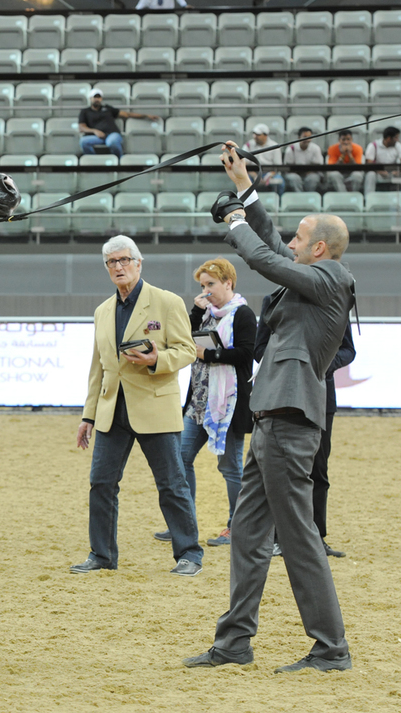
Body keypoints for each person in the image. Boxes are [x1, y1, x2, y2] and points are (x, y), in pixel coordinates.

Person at [185, 141, 354, 674]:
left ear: (320, 250)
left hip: (288, 421)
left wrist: (234, 222)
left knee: (298, 538)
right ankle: (235, 643)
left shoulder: (330, 281)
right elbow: (275, 247)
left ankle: (330, 649)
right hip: (270, 420)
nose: (292, 243)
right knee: (250, 536)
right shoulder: (313, 277)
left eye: (301, 239)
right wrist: (243, 189)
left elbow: (260, 256)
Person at [71, 235, 202, 577]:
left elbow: (187, 351)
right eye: (112, 262)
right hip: (111, 411)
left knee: (172, 485)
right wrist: (88, 415)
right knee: (100, 484)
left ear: (139, 263)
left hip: (155, 407)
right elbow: (98, 366)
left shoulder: (167, 302)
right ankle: (101, 554)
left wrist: (156, 358)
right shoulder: (103, 311)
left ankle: (189, 553)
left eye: (124, 260)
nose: (118, 267)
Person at [254, 294, 355, 559]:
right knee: (278, 470)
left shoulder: (334, 300)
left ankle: (317, 537)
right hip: (280, 397)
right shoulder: (273, 300)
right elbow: (259, 348)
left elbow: (348, 350)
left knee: (318, 469)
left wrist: (320, 364)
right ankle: (277, 537)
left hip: (320, 396)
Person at [173, 258, 255, 549]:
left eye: (210, 284)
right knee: (180, 459)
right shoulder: (205, 313)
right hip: (198, 402)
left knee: (230, 467)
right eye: (202, 285)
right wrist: (196, 310)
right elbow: (185, 338)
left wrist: (208, 356)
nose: (205, 290)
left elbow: (247, 354)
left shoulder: (243, 314)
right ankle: (184, 523)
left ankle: (238, 526)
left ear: (228, 283)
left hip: (229, 403)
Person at [78, 88, 160, 159]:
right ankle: (93, 161)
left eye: (99, 97)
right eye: (95, 97)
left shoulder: (107, 108)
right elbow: (82, 127)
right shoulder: (85, 111)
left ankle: (119, 161)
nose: (97, 99)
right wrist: (95, 131)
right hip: (97, 137)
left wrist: (146, 116)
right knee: (83, 142)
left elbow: (126, 114)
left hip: (111, 134)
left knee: (112, 142)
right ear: (90, 98)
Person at [242, 124, 284, 196]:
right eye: (254, 134)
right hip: (252, 172)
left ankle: (278, 201)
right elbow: (244, 164)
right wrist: (255, 176)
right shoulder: (248, 145)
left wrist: (269, 175)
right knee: (244, 181)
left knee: (279, 182)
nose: (255, 136)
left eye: (258, 135)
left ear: (265, 135)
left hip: (270, 173)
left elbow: (278, 166)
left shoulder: (274, 146)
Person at [284, 128, 325, 193]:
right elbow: (288, 167)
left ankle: (308, 196)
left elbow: (318, 165)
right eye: (305, 137)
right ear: (299, 137)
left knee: (313, 178)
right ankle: (300, 197)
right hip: (295, 173)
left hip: (311, 172)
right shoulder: (291, 149)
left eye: (309, 137)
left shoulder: (316, 148)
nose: (307, 139)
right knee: (293, 178)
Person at [363, 126, 400, 195]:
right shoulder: (373, 145)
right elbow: (369, 163)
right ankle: (368, 198)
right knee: (370, 175)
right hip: (378, 172)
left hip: (393, 172)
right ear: (389, 138)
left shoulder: (398, 146)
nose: (398, 140)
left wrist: (398, 171)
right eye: (396, 137)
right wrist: (380, 171)